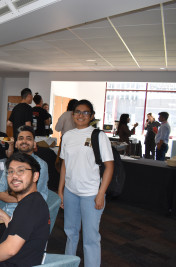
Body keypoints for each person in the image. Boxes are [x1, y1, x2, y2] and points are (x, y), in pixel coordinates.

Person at [0, 126, 49, 254]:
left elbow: (35, 199)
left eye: (28, 138)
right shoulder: (12, 163)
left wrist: (11, 194)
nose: (24, 141)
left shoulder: (40, 166)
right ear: (16, 143)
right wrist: (17, 196)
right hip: (2, 212)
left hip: (21, 219)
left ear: (34, 143)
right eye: (21, 138)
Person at [58, 99, 114, 267]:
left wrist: (100, 194)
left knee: (91, 238)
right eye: (77, 112)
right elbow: (64, 166)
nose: (81, 115)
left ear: (91, 116)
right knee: (70, 233)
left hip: (91, 194)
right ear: (72, 114)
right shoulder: (67, 136)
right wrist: (60, 191)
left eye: (85, 112)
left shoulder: (99, 135)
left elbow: (109, 167)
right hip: (70, 192)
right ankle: (69, 263)